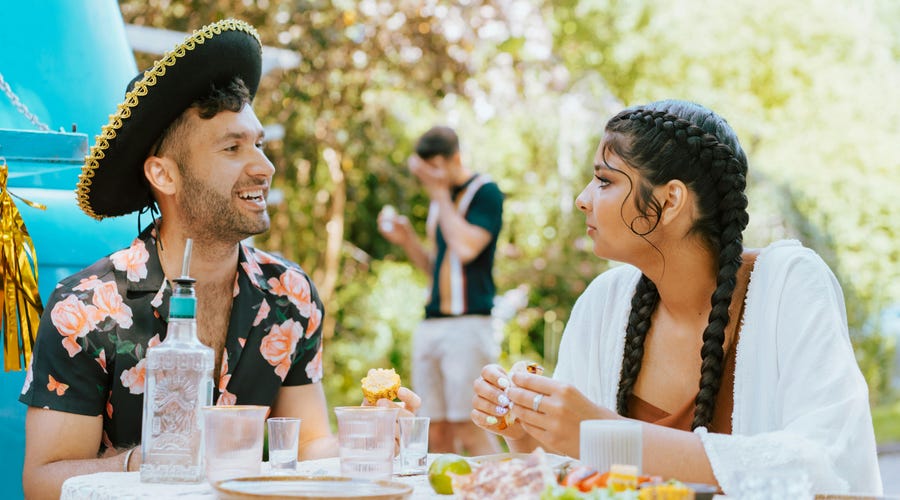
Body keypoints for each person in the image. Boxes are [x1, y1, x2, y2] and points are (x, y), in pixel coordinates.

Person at [19, 19, 417, 498]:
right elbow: (41, 483)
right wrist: (140, 463)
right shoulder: (85, 308)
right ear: (163, 175)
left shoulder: (290, 294)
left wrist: (372, 437)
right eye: (233, 147)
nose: (264, 167)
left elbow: (311, 444)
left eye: (259, 144)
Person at [471, 100, 883, 495]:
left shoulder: (788, 284)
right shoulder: (603, 303)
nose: (583, 199)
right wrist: (526, 431)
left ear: (670, 201)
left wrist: (606, 434)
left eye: (604, 181)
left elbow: (821, 465)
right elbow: (574, 479)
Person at [378, 126, 503, 455]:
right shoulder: (440, 200)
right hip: (432, 323)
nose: (429, 178)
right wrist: (407, 240)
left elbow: (466, 248)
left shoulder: (485, 192)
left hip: (469, 323)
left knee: (471, 424)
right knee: (432, 429)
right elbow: (437, 267)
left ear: (455, 159)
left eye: (434, 168)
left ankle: (504, 488)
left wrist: (438, 194)